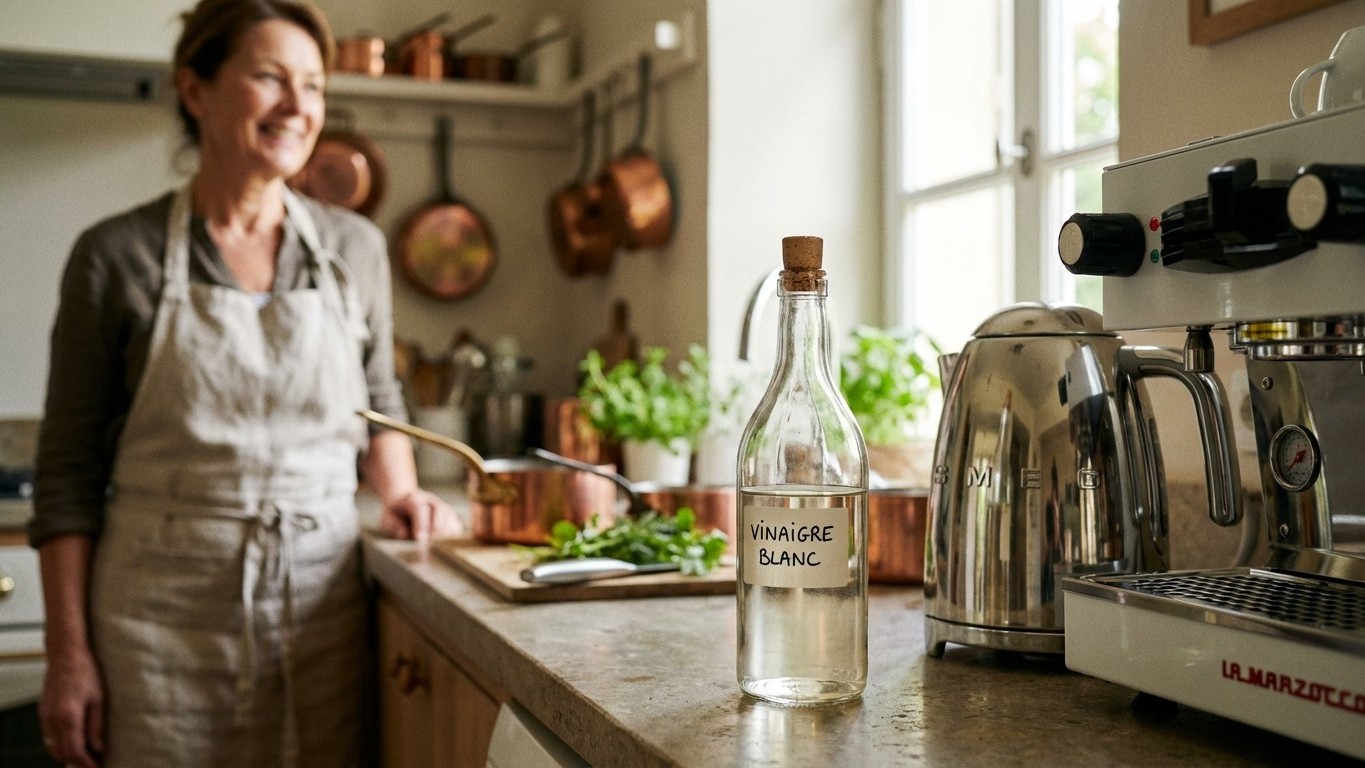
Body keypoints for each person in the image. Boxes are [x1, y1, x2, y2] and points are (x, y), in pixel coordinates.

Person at [28, 1, 460, 765]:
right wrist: (69, 656)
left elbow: (380, 400)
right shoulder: (113, 256)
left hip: (319, 608)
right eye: (270, 78)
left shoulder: (352, 247)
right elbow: (66, 475)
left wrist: (399, 495)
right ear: (194, 90)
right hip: (158, 616)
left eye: (315, 86)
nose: (300, 107)